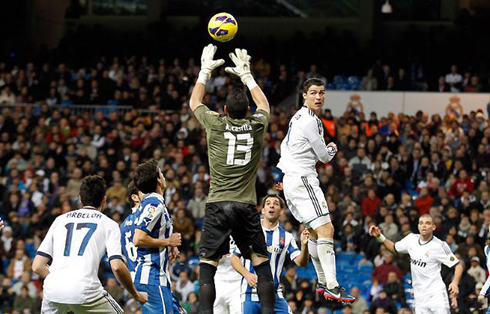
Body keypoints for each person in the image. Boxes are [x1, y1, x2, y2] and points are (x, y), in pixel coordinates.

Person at [190, 44, 274, 314]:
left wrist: (204, 72)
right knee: (261, 263)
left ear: (224, 109)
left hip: (218, 203)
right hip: (246, 205)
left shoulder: (214, 123)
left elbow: (195, 103)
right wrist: (247, 76)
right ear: (247, 110)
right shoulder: (257, 124)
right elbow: (264, 104)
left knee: (208, 264)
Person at [276, 77, 355, 303]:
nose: (318, 97)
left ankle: (322, 281)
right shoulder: (310, 121)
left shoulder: (297, 117)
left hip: (293, 179)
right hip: (303, 179)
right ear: (304, 95)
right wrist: (332, 148)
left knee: (313, 231)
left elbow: (285, 146)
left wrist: (289, 179)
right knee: (327, 229)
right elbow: (324, 156)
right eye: (313, 93)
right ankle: (332, 285)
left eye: (321, 92)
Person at [32, 175, 147, 313]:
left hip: (52, 290)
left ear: (80, 198)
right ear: (104, 199)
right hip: (85, 290)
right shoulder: (109, 224)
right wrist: (136, 294)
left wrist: (60, 281)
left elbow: (37, 266)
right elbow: (117, 266)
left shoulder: (59, 220)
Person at [369, 214, 463, 313]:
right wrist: (380, 237)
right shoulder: (411, 239)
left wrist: (455, 282)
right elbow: (394, 248)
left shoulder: (440, 246)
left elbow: (458, 266)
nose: (424, 226)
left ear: (433, 227)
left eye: (427, 223)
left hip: (436, 294)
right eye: (421, 223)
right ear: (418, 226)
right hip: (420, 297)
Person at [231, 195, 310, 313]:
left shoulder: (287, 237)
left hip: (275, 295)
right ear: (263, 210)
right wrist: (247, 274)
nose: (271, 205)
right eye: (268, 203)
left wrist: (304, 246)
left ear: (281, 211)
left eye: (276, 203)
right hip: (250, 294)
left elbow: (301, 262)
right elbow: (234, 259)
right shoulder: (249, 232)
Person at [122, 179, 187, 314]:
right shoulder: (146, 216)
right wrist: (169, 242)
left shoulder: (123, 225)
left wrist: (169, 248)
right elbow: (141, 240)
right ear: (134, 197)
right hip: (150, 277)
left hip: (141, 277)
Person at [213, 237, 242, 314]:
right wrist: (217, 254)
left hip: (238, 281)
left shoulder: (245, 230)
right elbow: (204, 254)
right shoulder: (215, 230)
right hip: (218, 280)